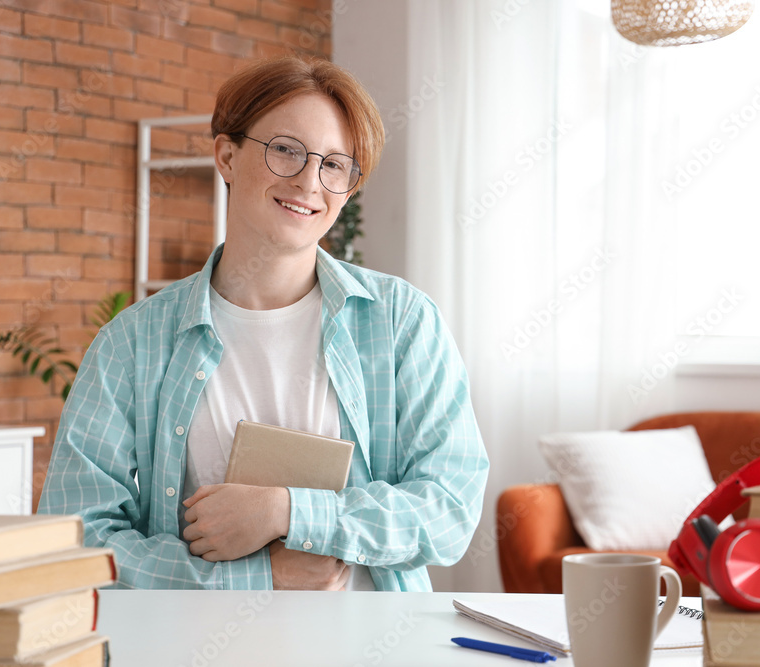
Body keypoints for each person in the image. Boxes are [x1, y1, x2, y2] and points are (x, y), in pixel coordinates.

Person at [39, 56, 489, 592]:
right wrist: (259, 577)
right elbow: (80, 536)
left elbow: (450, 507)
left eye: (335, 164)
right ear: (227, 155)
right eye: (285, 151)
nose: (309, 182)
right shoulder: (132, 342)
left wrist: (287, 513)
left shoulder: (404, 322)